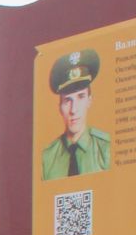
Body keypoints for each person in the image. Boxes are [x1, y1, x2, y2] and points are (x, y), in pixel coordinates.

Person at [40, 48, 111, 180]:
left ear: (89, 101)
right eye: (67, 100)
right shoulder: (46, 159)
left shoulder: (106, 149)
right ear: (60, 108)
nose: (74, 110)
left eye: (80, 97)